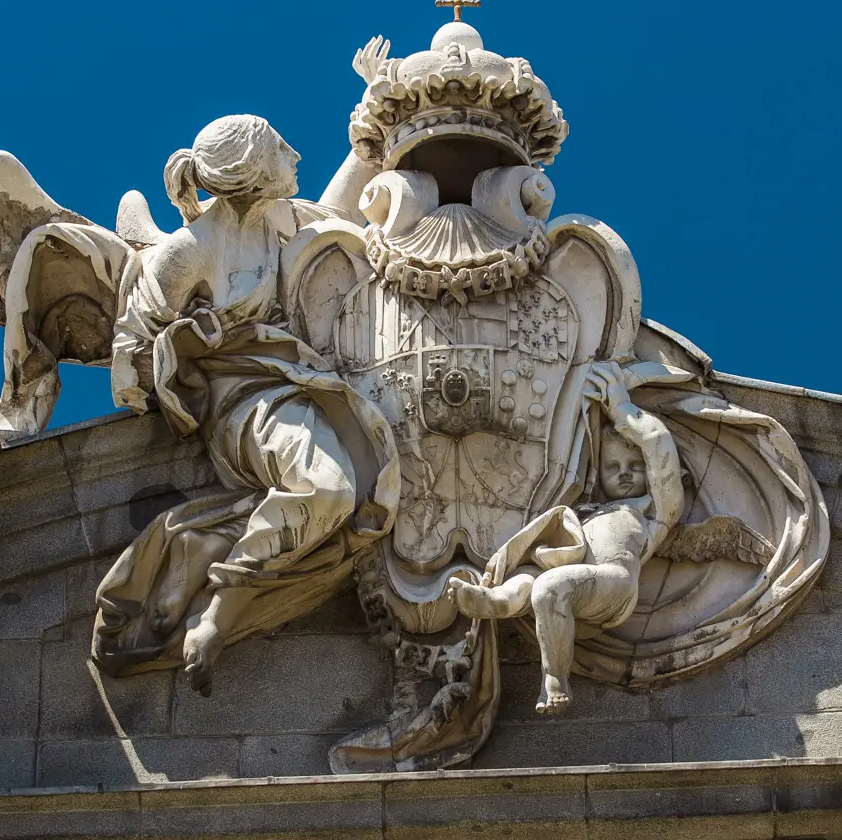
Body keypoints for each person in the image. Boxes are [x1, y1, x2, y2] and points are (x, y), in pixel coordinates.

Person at [94, 113, 399, 693]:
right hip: (242, 400)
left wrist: (369, 132)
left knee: (355, 487)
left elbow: (336, 221)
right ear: (255, 172)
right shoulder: (190, 249)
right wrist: (161, 384)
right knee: (330, 489)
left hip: (296, 384)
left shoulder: (278, 220)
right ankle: (220, 609)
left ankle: (201, 548)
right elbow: (134, 340)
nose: (296, 156)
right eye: (283, 149)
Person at [446, 363, 684, 714]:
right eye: (613, 467)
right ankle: (496, 603)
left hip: (613, 583)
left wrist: (622, 411)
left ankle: (554, 678)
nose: (624, 475)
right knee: (527, 579)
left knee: (550, 586)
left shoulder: (654, 512)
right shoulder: (588, 510)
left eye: (634, 467)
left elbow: (658, 444)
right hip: (567, 572)